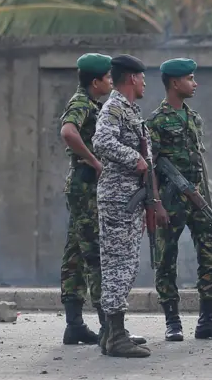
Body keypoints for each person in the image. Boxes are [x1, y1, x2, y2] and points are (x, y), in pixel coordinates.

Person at [59, 53, 147, 348]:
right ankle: (108, 326)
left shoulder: (100, 105)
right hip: (87, 187)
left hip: (85, 187)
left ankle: (78, 325)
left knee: (76, 255)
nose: (111, 82)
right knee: (100, 256)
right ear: (95, 81)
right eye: (108, 78)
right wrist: (96, 163)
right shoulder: (83, 103)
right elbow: (68, 132)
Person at [146, 58, 212, 342]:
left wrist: (205, 199)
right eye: (190, 79)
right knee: (166, 259)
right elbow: (152, 166)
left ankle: (206, 321)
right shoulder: (156, 121)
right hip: (170, 201)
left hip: (197, 199)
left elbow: (199, 164)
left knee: (210, 254)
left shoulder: (194, 118)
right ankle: (173, 322)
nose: (195, 84)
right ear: (175, 82)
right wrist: (156, 202)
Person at [92, 54, 168, 358]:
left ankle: (113, 333)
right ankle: (115, 336)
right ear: (132, 79)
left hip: (128, 200)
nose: (145, 82)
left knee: (124, 265)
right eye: (142, 77)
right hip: (118, 200)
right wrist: (133, 158)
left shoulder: (128, 109)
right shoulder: (114, 108)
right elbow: (101, 141)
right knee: (118, 267)